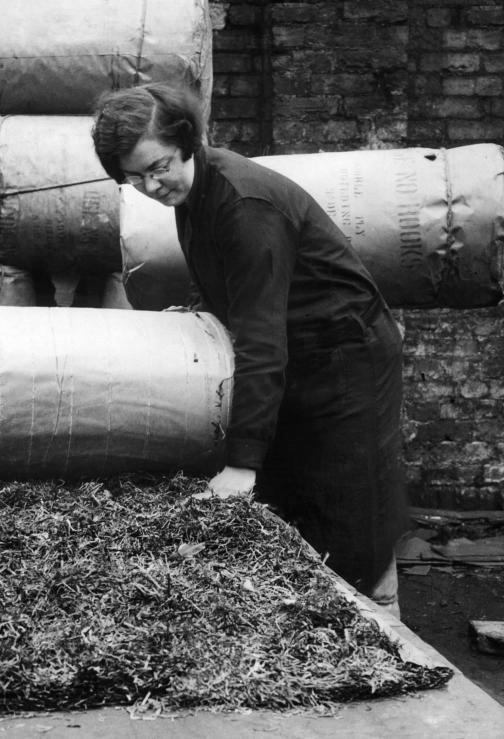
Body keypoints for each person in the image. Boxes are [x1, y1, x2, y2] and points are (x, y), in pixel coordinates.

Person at [91, 83, 406, 617]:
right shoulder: (195, 189)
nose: (150, 184)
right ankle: (322, 617)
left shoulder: (245, 205)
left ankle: (388, 626)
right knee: (295, 498)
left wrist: (240, 464)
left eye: (158, 166)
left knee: (353, 508)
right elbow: (222, 271)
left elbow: (261, 343)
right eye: (135, 176)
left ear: (187, 139)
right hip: (299, 351)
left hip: (346, 356)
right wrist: (196, 307)